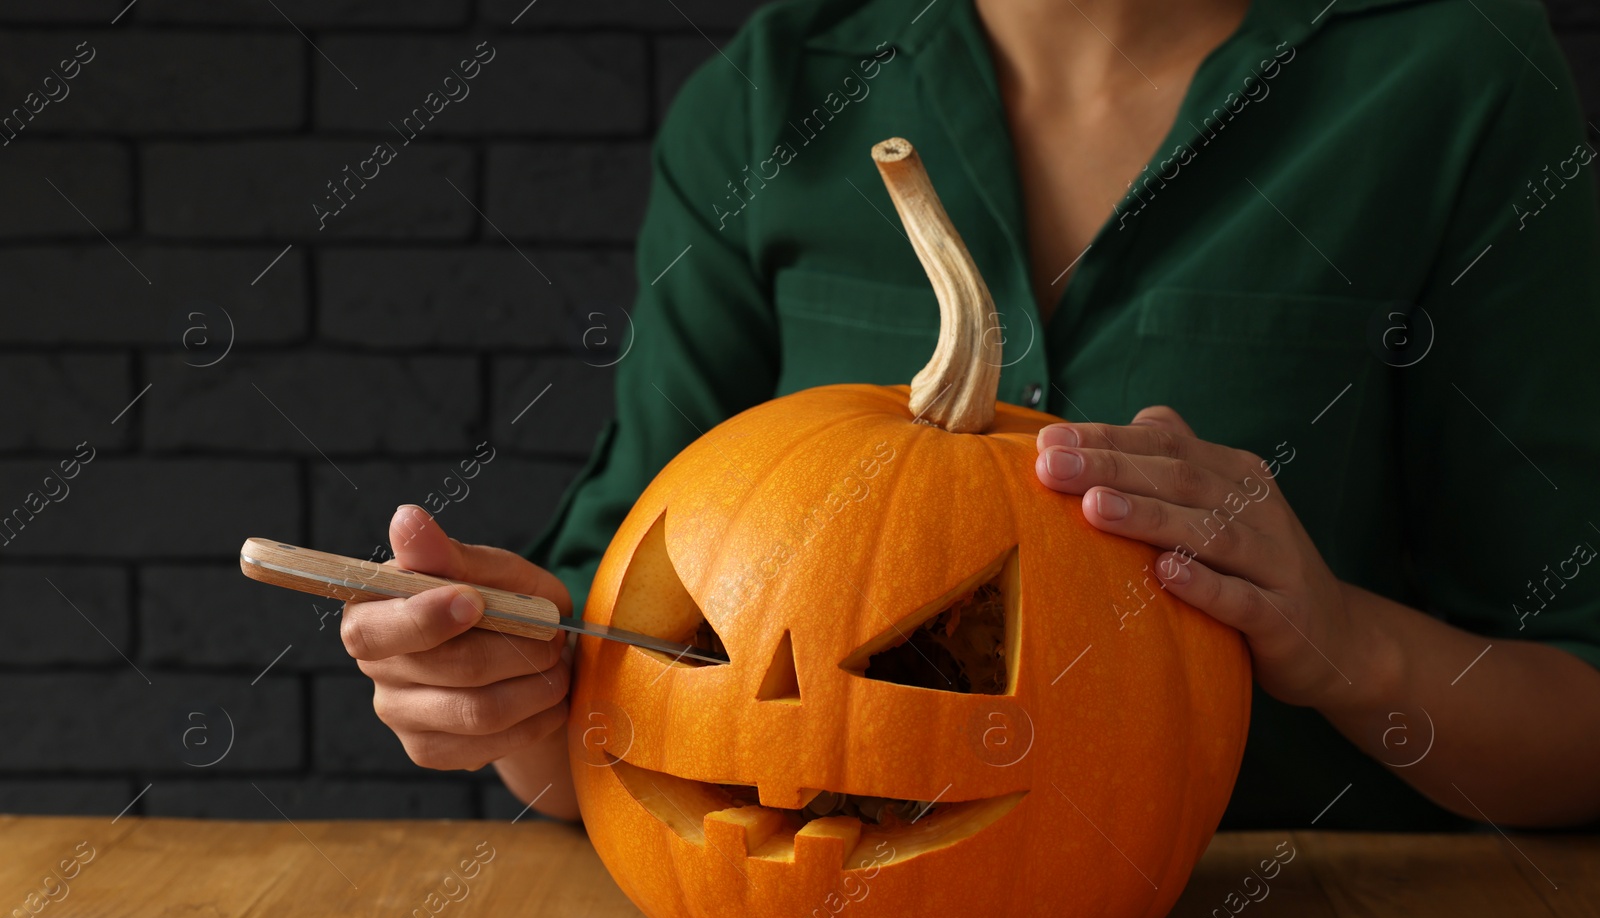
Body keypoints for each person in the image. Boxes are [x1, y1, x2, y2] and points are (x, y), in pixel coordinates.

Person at [339, 0, 1600, 830]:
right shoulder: (770, 100)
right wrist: (503, 695)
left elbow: (1579, 726)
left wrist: (1346, 644)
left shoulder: (1457, 80)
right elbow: (621, 707)